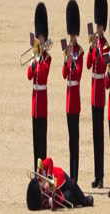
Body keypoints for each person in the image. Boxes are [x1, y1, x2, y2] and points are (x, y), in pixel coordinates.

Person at [87, 0, 109, 189]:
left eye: (100, 25)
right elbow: (88, 65)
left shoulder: (107, 47)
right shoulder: (95, 44)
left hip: (101, 92)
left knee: (101, 136)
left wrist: (99, 49)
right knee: (95, 135)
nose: (98, 28)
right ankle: (97, 174)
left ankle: (102, 176)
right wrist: (92, 48)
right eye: (97, 25)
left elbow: (103, 67)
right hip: (94, 93)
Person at [27, 2, 51, 171]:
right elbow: (29, 75)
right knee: (35, 141)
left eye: (41, 37)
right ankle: (37, 172)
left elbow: (43, 76)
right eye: (38, 37)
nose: (39, 39)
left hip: (41, 104)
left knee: (42, 141)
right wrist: (34, 58)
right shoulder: (35, 56)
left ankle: (42, 171)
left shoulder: (47, 58)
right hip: (34, 105)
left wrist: (39, 58)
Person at [62, 0, 83, 183]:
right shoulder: (68, 51)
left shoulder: (80, 52)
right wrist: (66, 59)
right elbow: (64, 74)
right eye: (71, 34)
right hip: (68, 102)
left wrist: (72, 60)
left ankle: (75, 177)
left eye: (74, 34)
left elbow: (78, 75)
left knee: (75, 141)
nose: (72, 37)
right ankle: (71, 174)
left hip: (75, 101)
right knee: (70, 141)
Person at [27, 157, 94, 210]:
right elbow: (49, 202)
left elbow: (49, 160)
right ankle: (78, 201)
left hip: (60, 177)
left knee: (73, 185)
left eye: (40, 186)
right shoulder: (42, 197)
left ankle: (85, 201)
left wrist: (48, 180)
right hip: (58, 193)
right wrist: (51, 202)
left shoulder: (40, 172)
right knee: (69, 196)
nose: (42, 188)